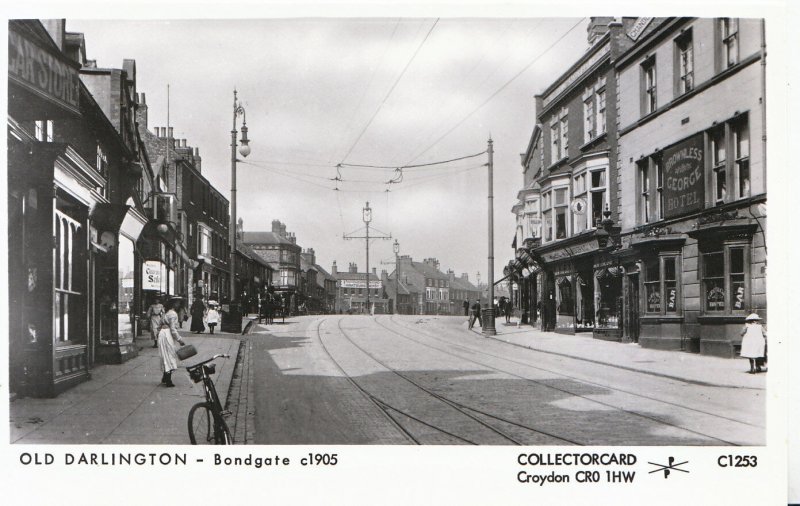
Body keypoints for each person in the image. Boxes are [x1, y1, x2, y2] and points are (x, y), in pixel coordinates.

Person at [158, 300, 186, 387]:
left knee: (165, 355)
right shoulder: (173, 314)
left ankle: (165, 376)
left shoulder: (166, 313)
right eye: (177, 303)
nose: (178, 305)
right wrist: (180, 339)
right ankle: (168, 379)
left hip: (162, 334)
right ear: (173, 304)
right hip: (167, 334)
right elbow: (173, 329)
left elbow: (159, 325)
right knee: (169, 355)